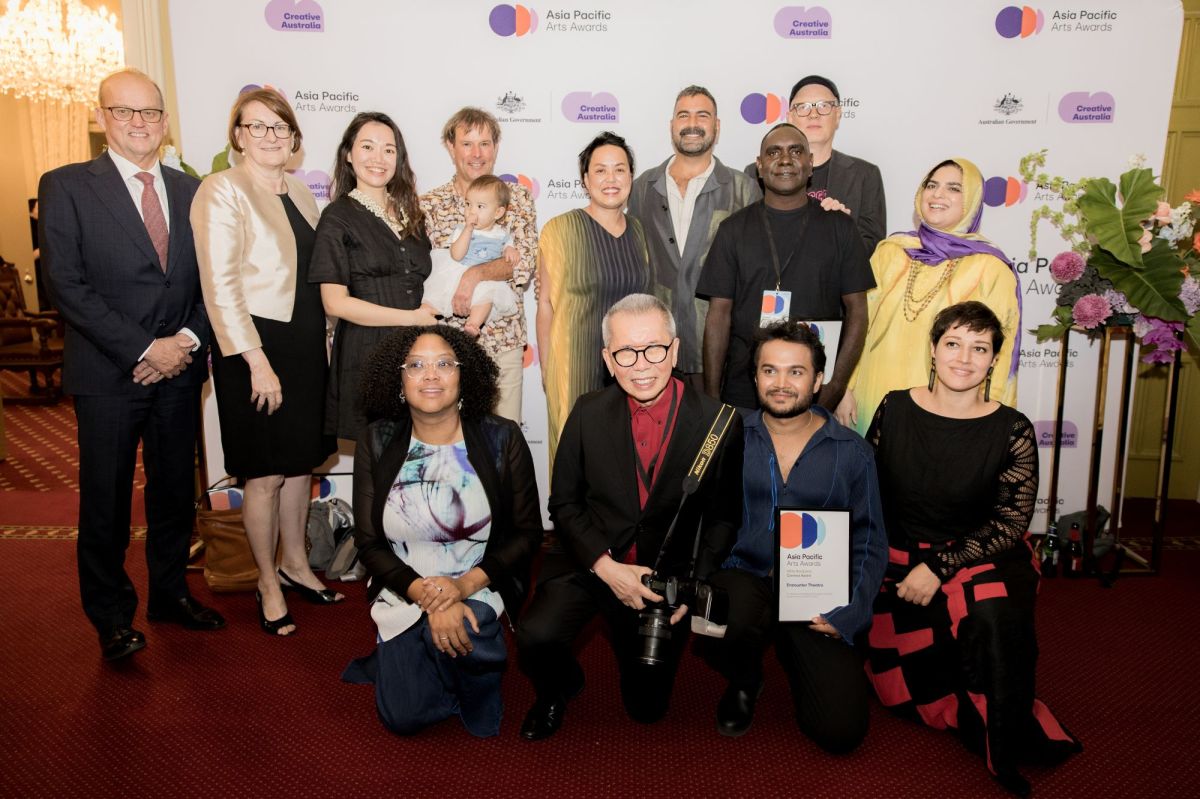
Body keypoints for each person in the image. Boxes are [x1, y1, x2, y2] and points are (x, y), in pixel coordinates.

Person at [39, 68, 225, 661]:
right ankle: (112, 618)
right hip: (107, 373)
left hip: (180, 371)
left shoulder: (194, 192)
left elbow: (214, 283)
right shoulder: (66, 186)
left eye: (149, 112)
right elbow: (66, 285)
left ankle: (170, 595)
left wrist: (184, 343)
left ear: (165, 122)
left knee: (174, 495)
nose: (138, 123)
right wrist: (145, 349)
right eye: (124, 111)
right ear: (102, 118)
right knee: (107, 502)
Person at [864, 302, 1081, 797]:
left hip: (982, 554)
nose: (964, 358)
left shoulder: (1013, 428)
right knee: (905, 689)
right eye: (953, 344)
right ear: (933, 350)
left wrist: (939, 565)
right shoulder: (894, 408)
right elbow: (868, 492)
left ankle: (1004, 734)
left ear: (994, 360)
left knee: (993, 617)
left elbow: (1010, 522)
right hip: (899, 561)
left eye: (979, 348)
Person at [516, 294, 744, 741]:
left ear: (675, 351)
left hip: (664, 577)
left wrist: (693, 587)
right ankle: (557, 689)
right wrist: (606, 568)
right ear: (608, 359)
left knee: (646, 708)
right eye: (625, 352)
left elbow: (723, 518)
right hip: (591, 560)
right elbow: (564, 505)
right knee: (535, 636)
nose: (641, 365)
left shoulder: (718, 421)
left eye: (654, 349)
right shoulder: (586, 412)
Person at [341, 325, 542, 737]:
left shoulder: (502, 437)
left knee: (467, 630)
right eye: (416, 365)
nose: (430, 375)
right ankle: (437, 660)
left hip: (477, 585)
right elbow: (369, 543)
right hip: (404, 588)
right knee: (404, 718)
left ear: (463, 376)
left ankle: (474, 677)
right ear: (399, 381)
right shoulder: (376, 440)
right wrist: (426, 594)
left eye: (444, 364)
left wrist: (462, 586)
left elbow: (527, 535)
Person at [192, 88, 338, 637]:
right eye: (257, 126)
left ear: (294, 137)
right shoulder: (221, 190)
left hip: (304, 345)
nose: (271, 136)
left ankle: (296, 563)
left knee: (301, 464)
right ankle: (266, 581)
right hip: (255, 347)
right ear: (238, 135)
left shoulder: (299, 191)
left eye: (280, 126)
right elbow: (220, 286)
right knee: (266, 472)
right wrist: (256, 362)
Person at [705, 320, 886, 747]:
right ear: (755, 377)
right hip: (745, 579)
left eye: (796, 372)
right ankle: (745, 679)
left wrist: (850, 612)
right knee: (722, 613)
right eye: (770, 370)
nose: (781, 384)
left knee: (840, 732)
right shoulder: (727, 438)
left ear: (818, 380)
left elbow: (869, 541)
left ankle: (790, 644)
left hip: (816, 595)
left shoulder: (853, 452)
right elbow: (704, 521)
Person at [697, 123, 874, 411]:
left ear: (810, 163)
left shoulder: (841, 228)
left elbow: (858, 312)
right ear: (759, 166)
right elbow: (718, 316)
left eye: (795, 151)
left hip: (814, 390)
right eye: (774, 152)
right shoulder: (732, 230)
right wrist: (712, 398)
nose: (785, 159)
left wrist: (835, 386)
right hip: (743, 392)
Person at [840, 158, 1019, 436]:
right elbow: (859, 323)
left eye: (954, 188)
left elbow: (1000, 353)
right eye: (931, 185)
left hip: (948, 409)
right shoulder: (890, 252)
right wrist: (843, 387)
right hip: (870, 394)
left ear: (972, 200)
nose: (938, 194)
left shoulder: (991, 268)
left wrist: (984, 419)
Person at [310, 111, 435, 443]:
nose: (379, 158)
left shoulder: (412, 214)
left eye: (388, 150)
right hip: (368, 355)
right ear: (349, 155)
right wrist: (410, 318)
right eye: (367, 147)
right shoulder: (337, 217)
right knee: (379, 460)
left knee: (416, 460)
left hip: (418, 353)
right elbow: (335, 304)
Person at [627, 85, 761, 388]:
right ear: (672, 125)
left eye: (702, 115)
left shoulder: (744, 189)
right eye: (683, 115)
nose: (692, 123)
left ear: (717, 126)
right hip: (656, 349)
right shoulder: (642, 187)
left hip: (719, 351)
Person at [536, 132, 652, 462]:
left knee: (627, 462)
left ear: (631, 176)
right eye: (600, 170)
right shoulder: (559, 230)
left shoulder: (639, 231)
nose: (611, 179)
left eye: (620, 169)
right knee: (577, 461)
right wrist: (548, 371)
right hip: (575, 366)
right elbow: (545, 304)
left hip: (631, 369)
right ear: (585, 180)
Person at [420, 107, 537, 423]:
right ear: (450, 147)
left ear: (495, 148)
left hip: (504, 343)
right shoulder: (429, 205)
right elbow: (424, 274)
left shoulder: (517, 198)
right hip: (446, 351)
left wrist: (474, 275)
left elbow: (522, 265)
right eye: (467, 143)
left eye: (485, 144)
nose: (477, 154)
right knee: (451, 443)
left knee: (505, 440)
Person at [744, 75, 885, 254]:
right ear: (790, 117)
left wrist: (843, 229)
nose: (813, 114)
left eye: (823, 106)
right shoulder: (758, 172)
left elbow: (873, 250)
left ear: (838, 114)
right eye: (803, 107)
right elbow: (747, 240)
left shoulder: (865, 175)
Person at [420, 175, 520, 337]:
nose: (471, 211)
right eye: (468, 204)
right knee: (438, 295)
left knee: (486, 297)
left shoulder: (502, 235)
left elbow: (510, 253)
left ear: (498, 212)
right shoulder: (461, 229)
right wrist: (467, 230)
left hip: (484, 279)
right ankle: (423, 315)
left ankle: (473, 324)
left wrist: (510, 250)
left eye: (480, 206)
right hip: (457, 271)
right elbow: (456, 255)